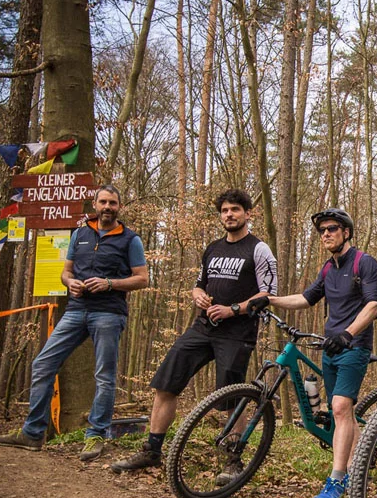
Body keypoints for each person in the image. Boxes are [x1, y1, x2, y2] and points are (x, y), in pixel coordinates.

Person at [110, 189, 277, 481]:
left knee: (231, 396)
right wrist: (198, 295)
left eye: (235, 209)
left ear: (248, 214)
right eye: (224, 210)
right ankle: (152, 450)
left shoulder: (258, 249)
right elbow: (199, 284)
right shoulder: (213, 248)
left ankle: (232, 460)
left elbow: (268, 293)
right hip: (202, 327)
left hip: (237, 332)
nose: (229, 215)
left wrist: (233, 309)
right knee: (166, 382)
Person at [0, 184, 149, 461]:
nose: (107, 207)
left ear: (119, 207)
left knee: (104, 376)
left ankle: (96, 435)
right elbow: (66, 272)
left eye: (113, 203)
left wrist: (109, 283)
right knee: (42, 363)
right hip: (77, 309)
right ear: (95, 204)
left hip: (109, 313)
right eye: (103, 202)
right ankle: (32, 433)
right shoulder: (80, 234)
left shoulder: (130, 239)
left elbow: (142, 278)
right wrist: (71, 283)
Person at [264, 208, 377, 498]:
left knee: (340, 407)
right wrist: (269, 300)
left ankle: (338, 478)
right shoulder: (328, 269)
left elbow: (373, 306)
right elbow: (305, 299)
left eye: (332, 228)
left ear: (346, 232)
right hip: (331, 347)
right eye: (322, 231)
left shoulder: (363, 262)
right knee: (343, 411)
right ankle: (358, 470)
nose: (326, 234)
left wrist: (348, 333)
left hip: (354, 347)